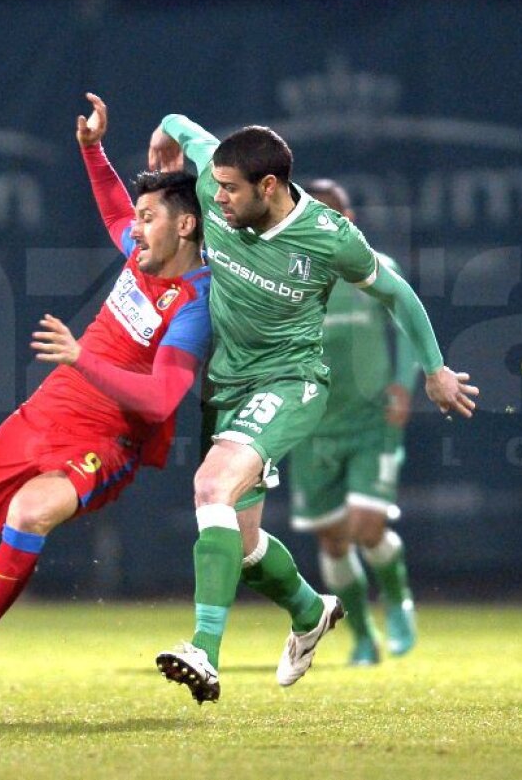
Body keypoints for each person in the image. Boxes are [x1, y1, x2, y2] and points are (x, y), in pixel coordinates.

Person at [0, 93, 210, 720]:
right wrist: (92, 150)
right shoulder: (142, 255)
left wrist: (84, 359)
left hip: (104, 440)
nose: (133, 227)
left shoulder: (195, 300)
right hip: (40, 417)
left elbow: (161, 401)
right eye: (136, 217)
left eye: (148, 216)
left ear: (185, 225)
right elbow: (112, 208)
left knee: (30, 512)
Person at [148, 116, 478, 703]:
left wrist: (434, 369)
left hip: (291, 381)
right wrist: (166, 140)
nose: (216, 198)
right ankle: (310, 611)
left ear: (268, 186)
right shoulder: (210, 182)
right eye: (215, 184)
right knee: (244, 548)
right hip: (226, 387)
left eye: (230, 189)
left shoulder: (330, 238)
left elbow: (397, 294)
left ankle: (204, 649)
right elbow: (179, 124)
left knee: (210, 488)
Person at [286, 179, 419, 666]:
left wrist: (405, 383)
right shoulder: (289, 278)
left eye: (331, 217)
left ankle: (399, 604)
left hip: (370, 421)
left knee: (367, 527)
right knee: (332, 539)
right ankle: (363, 637)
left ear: (348, 221)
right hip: (313, 426)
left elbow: (407, 322)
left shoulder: (376, 268)